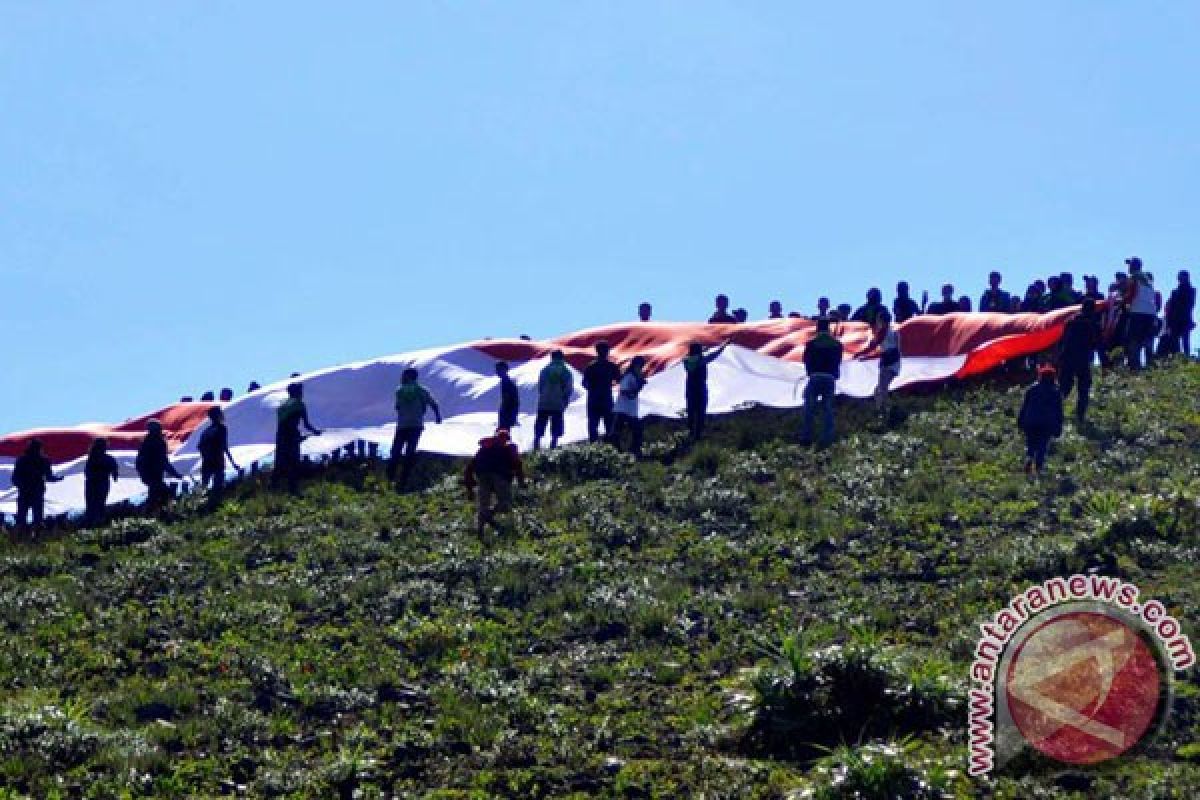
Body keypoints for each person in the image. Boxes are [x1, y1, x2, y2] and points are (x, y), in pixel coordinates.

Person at [387, 368, 442, 489]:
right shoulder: (419, 390)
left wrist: (438, 416)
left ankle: (391, 480)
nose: (401, 378)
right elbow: (434, 404)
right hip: (415, 425)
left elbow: (398, 408)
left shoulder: (400, 391)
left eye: (404, 376)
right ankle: (402, 481)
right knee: (409, 453)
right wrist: (437, 417)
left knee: (395, 453)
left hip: (403, 426)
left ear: (409, 377)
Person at [464, 429, 526, 535]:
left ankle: (480, 531)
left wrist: (469, 489)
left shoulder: (484, 449)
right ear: (507, 439)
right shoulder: (509, 448)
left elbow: (469, 469)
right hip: (500, 477)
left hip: (483, 477)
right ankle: (489, 516)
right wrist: (521, 482)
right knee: (505, 503)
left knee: (483, 505)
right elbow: (517, 465)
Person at [272, 383, 322, 494]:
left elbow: (283, 422)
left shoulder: (282, 405)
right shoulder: (299, 404)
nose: (302, 393)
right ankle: (293, 491)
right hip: (292, 435)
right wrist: (316, 431)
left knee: (279, 463)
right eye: (300, 391)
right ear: (297, 392)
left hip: (280, 436)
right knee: (293, 463)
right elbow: (306, 424)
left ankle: (273, 489)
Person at [800, 318, 843, 446]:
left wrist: (810, 372)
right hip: (830, 378)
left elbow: (806, 360)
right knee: (827, 408)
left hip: (815, 377)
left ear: (817, 328)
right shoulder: (837, 344)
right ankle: (827, 438)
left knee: (809, 407)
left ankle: (807, 436)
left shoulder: (811, 343)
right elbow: (838, 361)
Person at [1058, 299, 1100, 424]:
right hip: (1082, 359)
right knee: (1083, 389)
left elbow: (1062, 339)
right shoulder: (1092, 322)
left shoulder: (1070, 321)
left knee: (1064, 388)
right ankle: (1080, 416)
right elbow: (1095, 342)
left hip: (1067, 357)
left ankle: (1055, 412)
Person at [1017, 365, 1064, 478]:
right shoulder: (1055, 392)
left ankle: (1029, 458)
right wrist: (1059, 427)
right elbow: (1059, 412)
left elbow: (1024, 406)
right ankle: (1038, 467)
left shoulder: (1031, 389)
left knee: (1031, 443)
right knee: (1042, 445)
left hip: (1031, 421)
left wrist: (1020, 420)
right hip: (1047, 423)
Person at [11, 439, 61, 535]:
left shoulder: (22, 459)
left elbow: (15, 477)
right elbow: (49, 477)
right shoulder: (43, 460)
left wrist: (21, 485)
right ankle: (35, 538)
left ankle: (21, 537)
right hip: (35, 492)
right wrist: (57, 479)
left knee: (22, 518)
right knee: (36, 518)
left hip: (26, 491)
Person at [857, 310, 901, 417]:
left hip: (887, 362)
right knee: (879, 389)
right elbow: (898, 349)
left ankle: (885, 411)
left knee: (882, 388)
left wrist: (860, 355)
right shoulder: (895, 332)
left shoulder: (883, 332)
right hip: (895, 362)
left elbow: (873, 346)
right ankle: (882, 410)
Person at [683, 339, 730, 440]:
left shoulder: (686, 361)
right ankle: (698, 436)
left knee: (691, 411)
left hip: (690, 388)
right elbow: (713, 356)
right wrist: (723, 346)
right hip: (700, 388)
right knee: (700, 412)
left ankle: (690, 434)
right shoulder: (701, 360)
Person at [137, 420, 183, 511]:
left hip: (150, 475)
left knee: (155, 494)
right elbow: (163, 461)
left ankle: (153, 513)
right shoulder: (157, 442)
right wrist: (175, 473)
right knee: (166, 494)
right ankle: (156, 513)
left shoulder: (146, 442)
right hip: (152, 475)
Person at [198, 407, 240, 506]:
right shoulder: (221, 428)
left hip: (207, 461)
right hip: (217, 460)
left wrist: (206, 456)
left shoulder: (206, 431)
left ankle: (201, 505)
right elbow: (224, 446)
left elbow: (200, 446)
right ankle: (214, 504)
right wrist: (233, 463)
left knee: (204, 485)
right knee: (217, 485)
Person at [534, 351, 574, 450]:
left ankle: (536, 445)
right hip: (558, 402)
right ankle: (553, 447)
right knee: (556, 427)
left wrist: (543, 395)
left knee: (540, 425)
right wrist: (565, 399)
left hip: (544, 402)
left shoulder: (545, 369)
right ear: (562, 358)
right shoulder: (566, 371)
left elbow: (540, 386)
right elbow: (568, 388)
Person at [582, 342, 621, 443]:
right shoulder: (611, 366)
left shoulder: (590, 366)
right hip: (606, 399)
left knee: (593, 426)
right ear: (607, 352)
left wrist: (593, 389)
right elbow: (620, 380)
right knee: (609, 426)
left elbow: (584, 383)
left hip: (593, 399)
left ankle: (593, 449)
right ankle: (610, 449)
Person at [1124, 257, 1158, 369]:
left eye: (1130, 265)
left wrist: (1122, 303)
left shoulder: (1133, 278)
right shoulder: (1147, 279)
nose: (1128, 267)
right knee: (1148, 341)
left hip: (1138, 312)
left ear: (1133, 266)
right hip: (1151, 313)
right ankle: (1150, 367)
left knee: (1134, 341)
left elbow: (1130, 295)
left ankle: (1135, 368)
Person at [612, 356, 648, 457]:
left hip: (630, 409)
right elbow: (624, 391)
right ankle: (624, 451)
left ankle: (628, 450)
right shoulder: (628, 376)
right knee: (624, 431)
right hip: (623, 409)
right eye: (640, 365)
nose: (641, 367)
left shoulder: (637, 375)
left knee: (628, 431)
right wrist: (638, 388)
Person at [83, 438, 120, 527]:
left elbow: (87, 472)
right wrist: (114, 475)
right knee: (99, 504)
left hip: (91, 483)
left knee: (91, 505)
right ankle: (98, 524)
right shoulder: (108, 458)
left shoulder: (91, 457)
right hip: (102, 482)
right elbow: (114, 471)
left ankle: (91, 525)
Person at [1164, 270, 1195, 357]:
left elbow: (1189, 305)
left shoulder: (1191, 290)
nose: (1180, 279)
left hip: (1184, 319)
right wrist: (1168, 322)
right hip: (1174, 320)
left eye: (1182, 277)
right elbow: (1170, 307)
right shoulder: (1175, 292)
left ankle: (1186, 358)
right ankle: (1177, 359)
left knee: (1185, 341)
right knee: (1175, 342)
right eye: (1180, 277)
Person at [495, 361, 520, 431]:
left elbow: (513, 400)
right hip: (506, 411)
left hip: (507, 412)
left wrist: (512, 415)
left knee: (504, 433)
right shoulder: (504, 381)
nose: (496, 372)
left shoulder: (507, 382)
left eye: (498, 369)